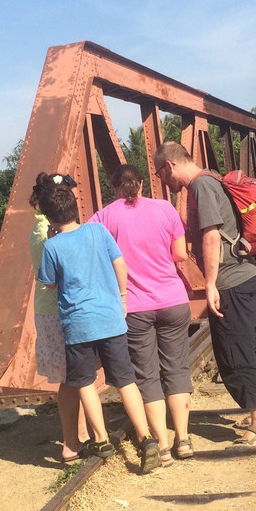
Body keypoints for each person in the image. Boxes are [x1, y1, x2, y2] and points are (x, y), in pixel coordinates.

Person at [152, 142, 256, 446]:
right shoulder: (211, 178)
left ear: (170, 166)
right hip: (243, 277)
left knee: (235, 352)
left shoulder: (200, 186)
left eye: (161, 173)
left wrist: (210, 284)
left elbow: (212, 236)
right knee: (250, 344)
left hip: (230, 281)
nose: (163, 181)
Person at [35, 182, 162, 474]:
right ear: (74, 206)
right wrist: (122, 296)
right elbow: (120, 264)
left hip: (78, 325)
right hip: (111, 318)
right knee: (125, 380)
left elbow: (50, 283)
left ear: (50, 217)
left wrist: (52, 239)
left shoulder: (52, 246)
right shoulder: (97, 231)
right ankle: (145, 439)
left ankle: (101, 439)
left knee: (84, 382)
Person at [91, 164, 194, 464]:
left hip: (135, 308)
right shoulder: (164, 209)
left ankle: (161, 445)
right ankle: (183, 440)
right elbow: (180, 254)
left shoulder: (105, 217)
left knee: (147, 376)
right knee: (176, 370)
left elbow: (91, 249)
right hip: (173, 301)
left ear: (113, 187)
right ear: (141, 183)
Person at [29, 172, 90, 463]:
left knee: (74, 375)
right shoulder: (48, 233)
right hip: (59, 309)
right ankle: (71, 441)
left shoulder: (41, 229)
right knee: (71, 376)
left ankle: (79, 436)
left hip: (51, 308)